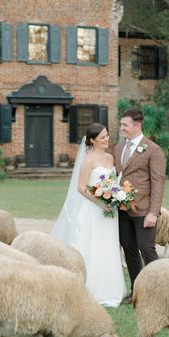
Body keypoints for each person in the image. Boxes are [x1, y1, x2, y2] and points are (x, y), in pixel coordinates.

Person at [52, 123, 126, 307]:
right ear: (92, 140)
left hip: (110, 211)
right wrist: (100, 201)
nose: (106, 139)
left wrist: (115, 196)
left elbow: (115, 180)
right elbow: (81, 186)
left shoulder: (111, 158)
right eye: (102, 137)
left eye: (107, 136)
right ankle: (89, 289)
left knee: (108, 246)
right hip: (93, 210)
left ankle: (111, 289)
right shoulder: (89, 160)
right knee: (92, 245)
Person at [113, 108, 166, 304]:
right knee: (130, 252)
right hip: (122, 211)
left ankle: (159, 293)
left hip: (144, 211)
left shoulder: (153, 149)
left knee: (147, 250)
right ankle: (137, 293)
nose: (122, 128)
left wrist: (153, 212)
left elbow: (158, 182)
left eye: (125, 125)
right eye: (122, 124)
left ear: (137, 126)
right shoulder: (118, 149)